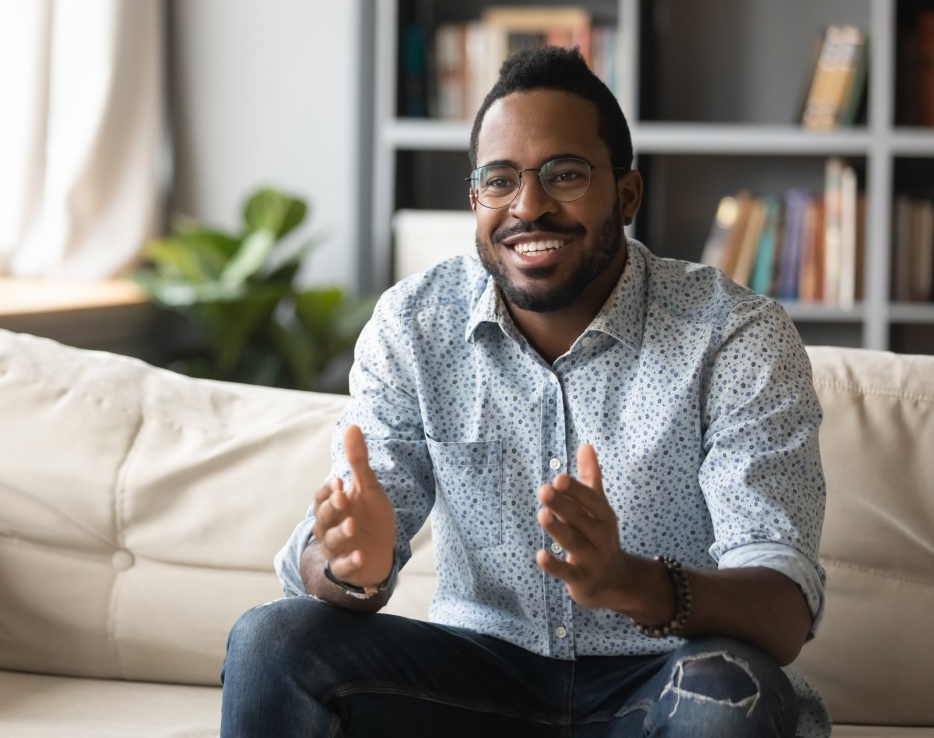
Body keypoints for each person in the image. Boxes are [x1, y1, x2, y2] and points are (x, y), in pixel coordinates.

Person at [220, 45, 829, 738]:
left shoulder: (733, 336)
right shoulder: (416, 324)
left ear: (626, 196)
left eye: (564, 175)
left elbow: (782, 610)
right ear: (475, 199)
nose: (528, 206)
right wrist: (348, 567)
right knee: (275, 642)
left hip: (662, 684)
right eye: (499, 181)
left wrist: (631, 582)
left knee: (728, 690)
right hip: (472, 685)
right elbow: (334, 558)